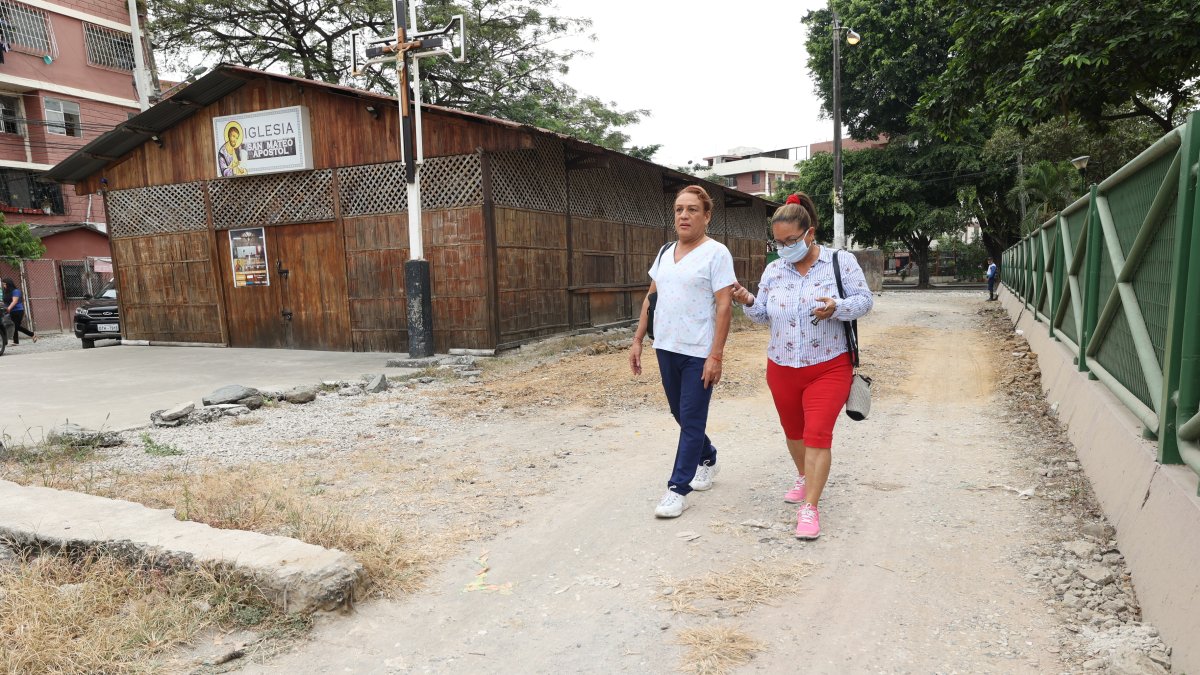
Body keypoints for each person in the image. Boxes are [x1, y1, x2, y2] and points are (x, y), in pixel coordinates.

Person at [730, 193, 873, 539]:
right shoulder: (774, 269)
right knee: (794, 433)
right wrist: (748, 299)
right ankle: (803, 475)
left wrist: (836, 307)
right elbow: (763, 314)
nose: (783, 248)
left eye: (790, 241)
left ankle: (810, 507)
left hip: (828, 365)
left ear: (809, 233)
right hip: (781, 366)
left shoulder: (840, 262)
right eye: (777, 242)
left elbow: (865, 302)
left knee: (818, 434)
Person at [629, 185, 736, 519]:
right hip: (666, 346)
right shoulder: (664, 252)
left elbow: (724, 306)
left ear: (706, 216)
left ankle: (677, 488)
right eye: (679, 209)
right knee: (680, 414)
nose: (684, 215)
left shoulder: (717, 254)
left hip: (698, 351)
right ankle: (708, 456)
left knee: (691, 418)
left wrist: (715, 355)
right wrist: (637, 339)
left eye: (692, 210)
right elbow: (652, 298)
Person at [2, 277, 37, 345]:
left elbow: (14, 301)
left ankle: (32, 335)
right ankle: (16, 341)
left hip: (18, 311)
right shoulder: (6, 292)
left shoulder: (16, 291)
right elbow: (5, 302)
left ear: (8, 284)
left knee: (15, 326)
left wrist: (8, 308)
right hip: (10, 311)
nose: (4, 286)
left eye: (4, 284)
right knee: (15, 326)